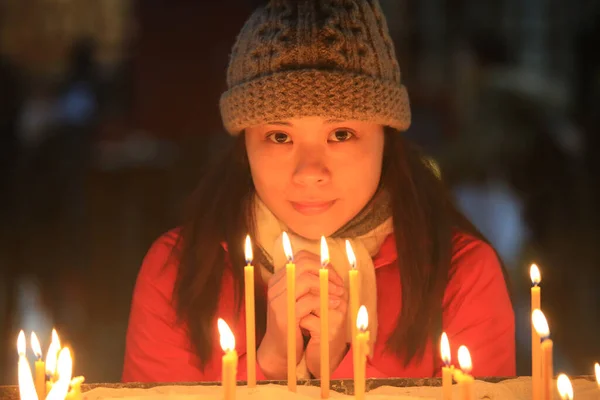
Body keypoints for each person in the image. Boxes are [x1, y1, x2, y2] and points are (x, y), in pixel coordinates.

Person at [122, 0, 514, 382]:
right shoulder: (176, 272)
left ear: (386, 137)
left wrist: (343, 367)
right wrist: (270, 367)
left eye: (340, 134)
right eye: (279, 136)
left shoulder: (461, 276)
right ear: (245, 147)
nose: (310, 173)